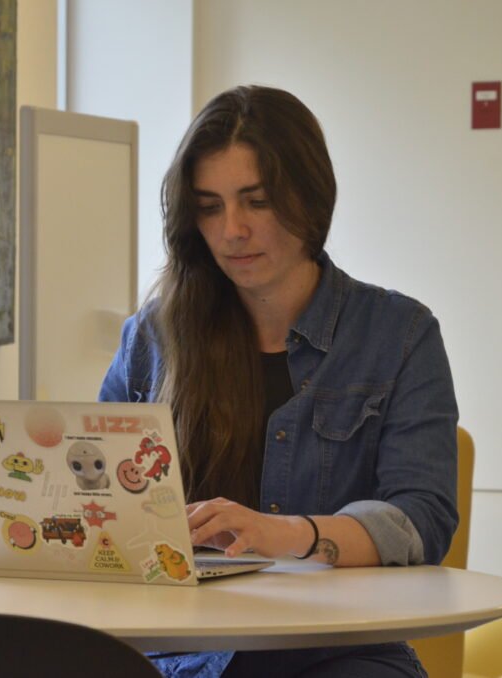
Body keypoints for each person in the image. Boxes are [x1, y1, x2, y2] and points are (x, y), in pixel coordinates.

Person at [99, 85, 458, 677]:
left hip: (338, 650)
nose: (232, 230)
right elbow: (101, 506)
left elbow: (423, 519)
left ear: (310, 200)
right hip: (178, 653)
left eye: (256, 201)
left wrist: (287, 534)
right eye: (210, 206)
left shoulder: (400, 334)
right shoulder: (153, 337)